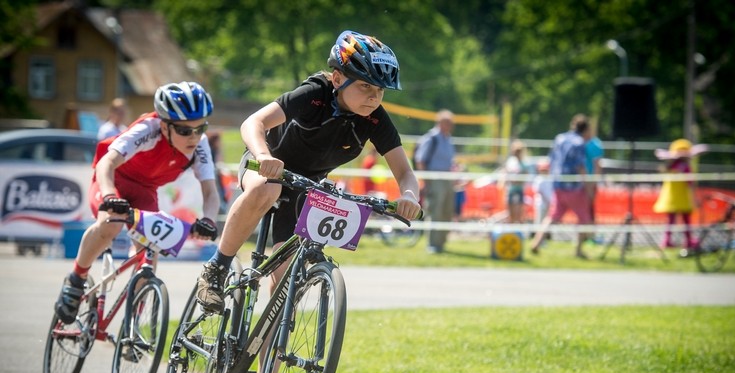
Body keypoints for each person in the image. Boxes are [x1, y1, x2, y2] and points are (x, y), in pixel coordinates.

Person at [196, 30, 421, 314]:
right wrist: (264, 155)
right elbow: (253, 123)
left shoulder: (374, 118)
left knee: (284, 291)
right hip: (265, 163)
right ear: (338, 79)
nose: (374, 97)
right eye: (365, 86)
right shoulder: (315, 94)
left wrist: (410, 196)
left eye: (380, 90)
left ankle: (269, 357)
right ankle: (217, 267)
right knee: (268, 187)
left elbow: (405, 174)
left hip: (306, 186)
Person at [54, 81, 222, 324]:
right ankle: (76, 279)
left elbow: (210, 192)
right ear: (165, 126)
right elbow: (106, 164)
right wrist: (110, 194)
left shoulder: (200, 145)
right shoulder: (148, 129)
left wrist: (208, 220)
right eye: (185, 131)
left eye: (200, 128)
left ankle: (132, 325)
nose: (194, 137)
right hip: (114, 180)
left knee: (149, 250)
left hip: (145, 190)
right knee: (110, 225)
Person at [530, 114, 593, 259]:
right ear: (585, 129)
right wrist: (588, 187)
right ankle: (578, 251)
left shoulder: (560, 138)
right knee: (583, 218)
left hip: (558, 185)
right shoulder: (579, 143)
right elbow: (580, 167)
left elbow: (550, 160)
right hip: (574, 188)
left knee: (552, 217)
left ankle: (536, 242)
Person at [652, 138, 707, 249]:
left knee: (670, 221)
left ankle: (667, 241)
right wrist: (694, 198)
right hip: (682, 198)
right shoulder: (685, 167)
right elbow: (690, 184)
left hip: (671, 198)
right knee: (686, 221)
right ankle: (688, 241)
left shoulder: (670, 167)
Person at [414, 109, 456, 253]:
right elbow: (420, 160)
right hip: (434, 179)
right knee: (435, 211)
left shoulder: (448, 138)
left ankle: (441, 243)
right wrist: (426, 181)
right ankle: (432, 244)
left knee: (446, 211)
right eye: (448, 122)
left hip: (447, 179)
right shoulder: (431, 138)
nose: (451, 125)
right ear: (440, 123)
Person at [500, 139, 529, 224]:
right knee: (510, 214)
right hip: (510, 190)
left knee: (519, 214)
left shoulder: (524, 163)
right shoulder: (511, 161)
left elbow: (524, 177)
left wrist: (517, 181)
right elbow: (506, 173)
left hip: (519, 190)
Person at [584, 129, 603, 222]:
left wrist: (593, 183)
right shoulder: (579, 142)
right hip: (580, 180)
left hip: (589, 181)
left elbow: (597, 166)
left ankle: (589, 234)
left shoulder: (595, 144)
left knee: (589, 208)